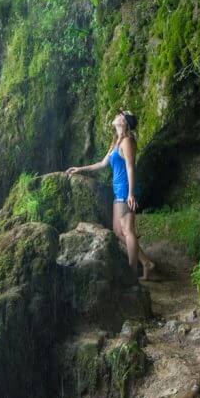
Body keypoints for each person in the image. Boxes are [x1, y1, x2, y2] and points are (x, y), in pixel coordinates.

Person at [66, 109, 156, 281]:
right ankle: (145, 262)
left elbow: (130, 167)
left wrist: (130, 194)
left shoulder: (127, 142)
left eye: (119, 115)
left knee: (128, 230)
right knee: (117, 231)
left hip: (125, 190)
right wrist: (80, 169)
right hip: (118, 189)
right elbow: (102, 164)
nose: (116, 116)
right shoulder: (116, 141)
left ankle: (132, 273)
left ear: (124, 122)